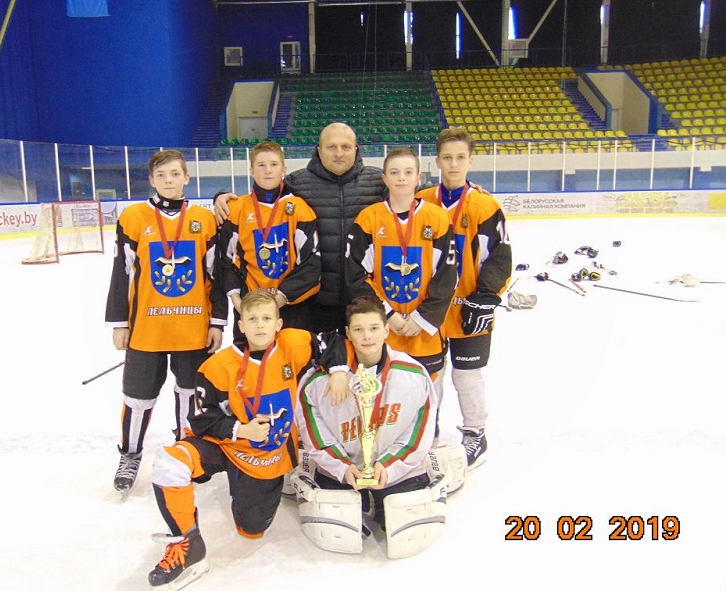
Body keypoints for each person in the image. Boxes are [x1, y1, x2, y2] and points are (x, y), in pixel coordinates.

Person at [146, 290, 348, 588]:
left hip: (264, 457)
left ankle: (248, 488)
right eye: (252, 319)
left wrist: (338, 371)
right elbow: (200, 419)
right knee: (169, 463)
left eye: (266, 318)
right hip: (223, 445)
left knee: (251, 530)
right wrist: (240, 430)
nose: (260, 325)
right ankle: (186, 543)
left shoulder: (292, 345)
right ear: (241, 325)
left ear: (279, 324)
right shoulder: (217, 366)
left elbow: (332, 341)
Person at [105, 149, 228, 496]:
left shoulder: (204, 220)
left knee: (190, 394)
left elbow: (216, 275)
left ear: (186, 177)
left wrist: (217, 322)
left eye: (175, 174)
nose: (169, 180)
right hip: (146, 329)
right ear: (151, 180)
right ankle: (130, 455)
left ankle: (185, 451)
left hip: (193, 328)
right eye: (161, 175)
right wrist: (119, 322)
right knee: (138, 397)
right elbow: (122, 273)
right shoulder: (133, 217)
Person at [292, 296, 449, 558]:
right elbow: (315, 436)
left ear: (387, 330)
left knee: (406, 526)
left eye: (374, 328)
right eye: (359, 329)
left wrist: (390, 465)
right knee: (338, 530)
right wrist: (342, 468)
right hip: (344, 471)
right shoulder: (317, 381)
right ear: (347, 333)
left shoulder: (413, 373)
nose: (367, 336)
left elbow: (420, 432)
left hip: (397, 470)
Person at [214, 123, 385, 333]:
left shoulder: (378, 181)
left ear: (356, 149)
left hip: (363, 301)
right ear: (319, 150)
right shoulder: (297, 182)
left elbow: (409, 194)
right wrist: (221, 197)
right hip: (316, 304)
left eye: (346, 147)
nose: (339, 153)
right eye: (331, 147)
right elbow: (266, 191)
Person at [415, 126, 511, 469]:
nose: (453, 164)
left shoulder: (485, 205)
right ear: (437, 160)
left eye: (460, 157)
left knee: (467, 376)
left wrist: (485, 296)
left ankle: (475, 434)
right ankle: (427, 434)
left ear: (471, 159)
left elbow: (499, 255)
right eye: (447, 157)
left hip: (470, 306)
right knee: (432, 377)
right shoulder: (421, 200)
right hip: (430, 309)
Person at [345, 147, 456, 394]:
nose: (401, 178)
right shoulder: (369, 219)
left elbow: (447, 276)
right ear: (385, 179)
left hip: (424, 333)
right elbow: (355, 276)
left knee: (426, 398)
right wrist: (386, 314)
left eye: (408, 172)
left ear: (418, 178)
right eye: (394, 172)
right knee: (383, 397)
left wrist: (421, 319)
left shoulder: (437, 218)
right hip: (382, 330)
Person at [219, 141, 321, 336]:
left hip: (292, 308)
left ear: (284, 169)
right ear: (251, 170)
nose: (267, 170)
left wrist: (279, 299)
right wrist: (238, 303)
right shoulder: (236, 209)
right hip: (250, 308)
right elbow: (226, 262)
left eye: (274, 164)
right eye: (261, 165)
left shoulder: (299, 208)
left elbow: (311, 263)